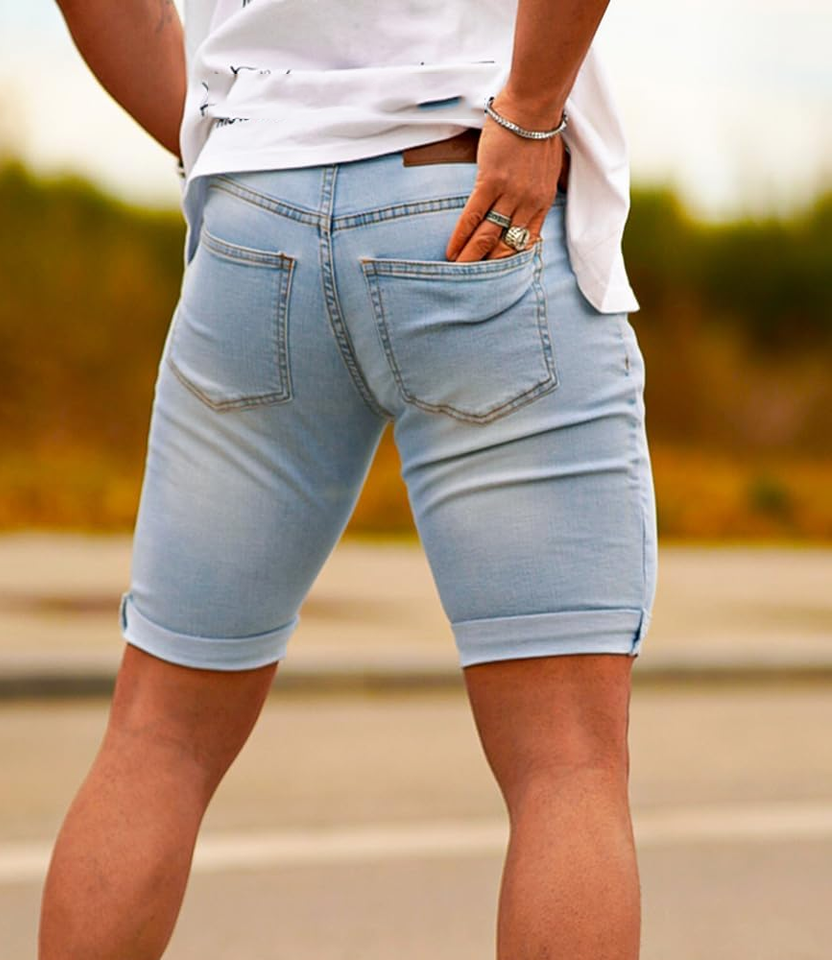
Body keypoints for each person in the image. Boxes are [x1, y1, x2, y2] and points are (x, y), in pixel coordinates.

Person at [39, 2, 658, 959]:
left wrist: (238, 143)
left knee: (158, 736)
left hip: (255, 201)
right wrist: (534, 111)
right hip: (475, 188)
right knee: (565, 764)